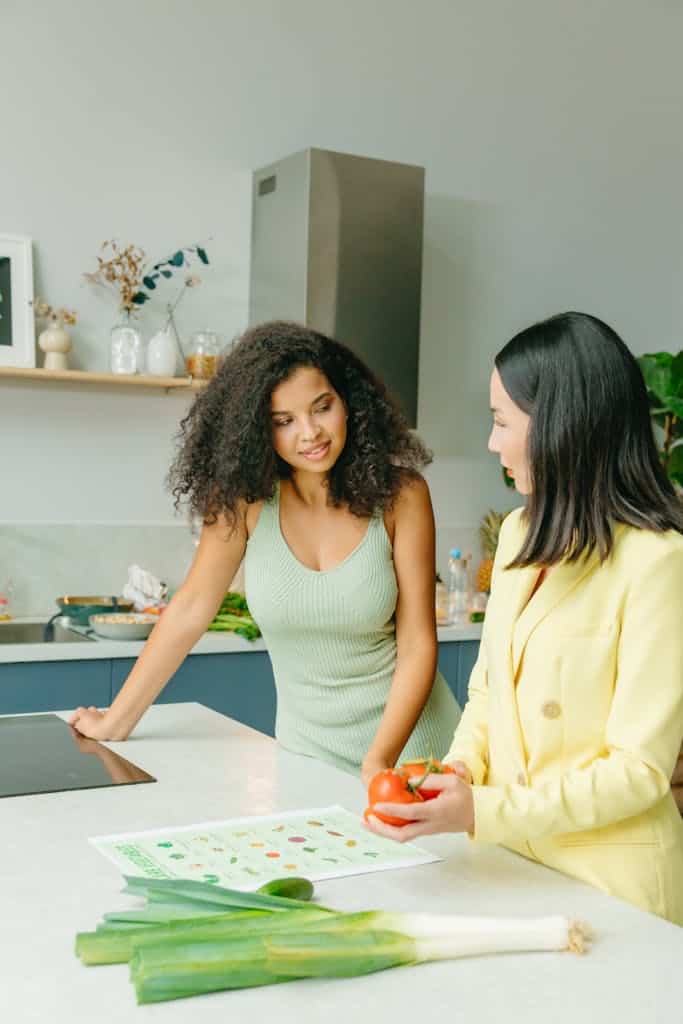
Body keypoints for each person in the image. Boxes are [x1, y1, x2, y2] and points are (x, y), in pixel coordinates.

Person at [365, 311, 683, 925]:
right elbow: (488, 693)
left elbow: (639, 773)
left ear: (562, 427)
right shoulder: (516, 535)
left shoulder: (659, 561)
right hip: (511, 867)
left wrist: (483, 811)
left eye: (501, 422)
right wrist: (458, 770)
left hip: (614, 888)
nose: (492, 443)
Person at [70, 321, 461, 782]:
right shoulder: (245, 501)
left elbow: (418, 644)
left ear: (349, 401)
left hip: (415, 756)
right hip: (304, 763)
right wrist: (116, 722)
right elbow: (191, 609)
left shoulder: (402, 495)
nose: (310, 433)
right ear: (257, 429)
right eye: (284, 421)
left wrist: (378, 763)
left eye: (323, 407)